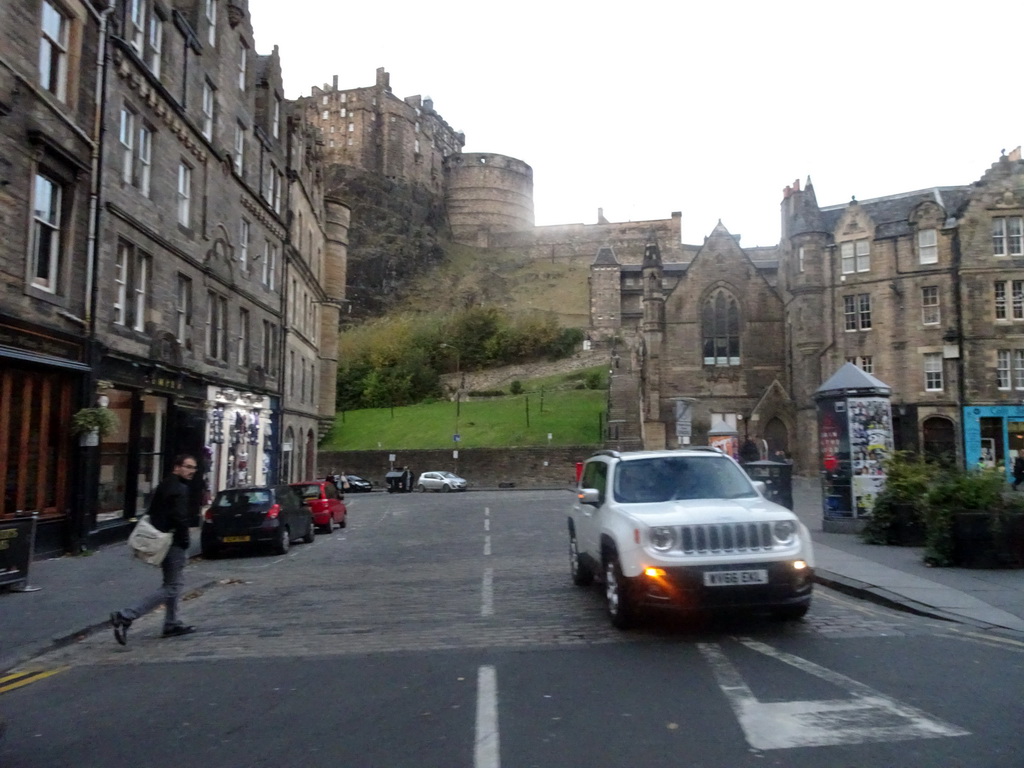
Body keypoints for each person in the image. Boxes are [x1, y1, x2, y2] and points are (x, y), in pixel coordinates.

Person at [110, 454, 198, 644]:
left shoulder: (164, 485)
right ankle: (126, 615)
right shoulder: (179, 489)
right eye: (188, 467)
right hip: (172, 541)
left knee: (173, 583)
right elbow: (180, 518)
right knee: (172, 586)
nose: (191, 471)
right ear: (177, 467)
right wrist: (184, 542)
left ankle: (172, 623)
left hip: (161, 538)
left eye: (193, 468)